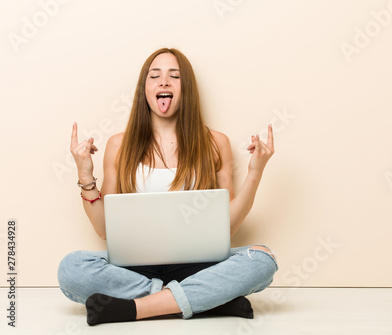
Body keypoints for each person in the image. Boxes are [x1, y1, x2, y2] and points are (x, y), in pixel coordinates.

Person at [57, 48, 278, 325]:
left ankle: (135, 308)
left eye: (175, 76)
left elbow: (228, 228)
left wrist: (255, 172)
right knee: (71, 269)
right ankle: (204, 301)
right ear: (145, 88)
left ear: (187, 89)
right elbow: (104, 229)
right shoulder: (119, 145)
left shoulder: (215, 143)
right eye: (155, 76)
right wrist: (84, 173)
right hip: (136, 268)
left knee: (262, 260)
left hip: (198, 266)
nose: (164, 82)